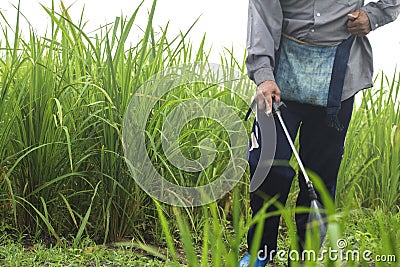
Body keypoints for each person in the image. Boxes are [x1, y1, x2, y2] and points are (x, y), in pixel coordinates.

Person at [239, 1, 400, 266]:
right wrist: (263, 76)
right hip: (279, 76)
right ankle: (260, 250)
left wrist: (372, 17)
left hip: (339, 76)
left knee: (320, 176)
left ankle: (306, 256)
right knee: (266, 167)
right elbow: (261, 15)